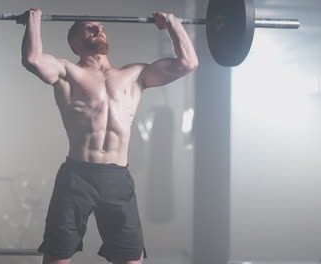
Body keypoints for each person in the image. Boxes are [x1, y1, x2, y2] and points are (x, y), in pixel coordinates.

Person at [16, 8, 198, 264]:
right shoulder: (67, 72)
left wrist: (171, 24)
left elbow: (188, 63)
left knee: (131, 259)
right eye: (90, 27)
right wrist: (34, 20)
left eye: (100, 27)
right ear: (74, 43)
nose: (98, 30)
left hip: (117, 178)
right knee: (57, 258)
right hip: (77, 176)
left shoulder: (134, 75)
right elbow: (33, 59)